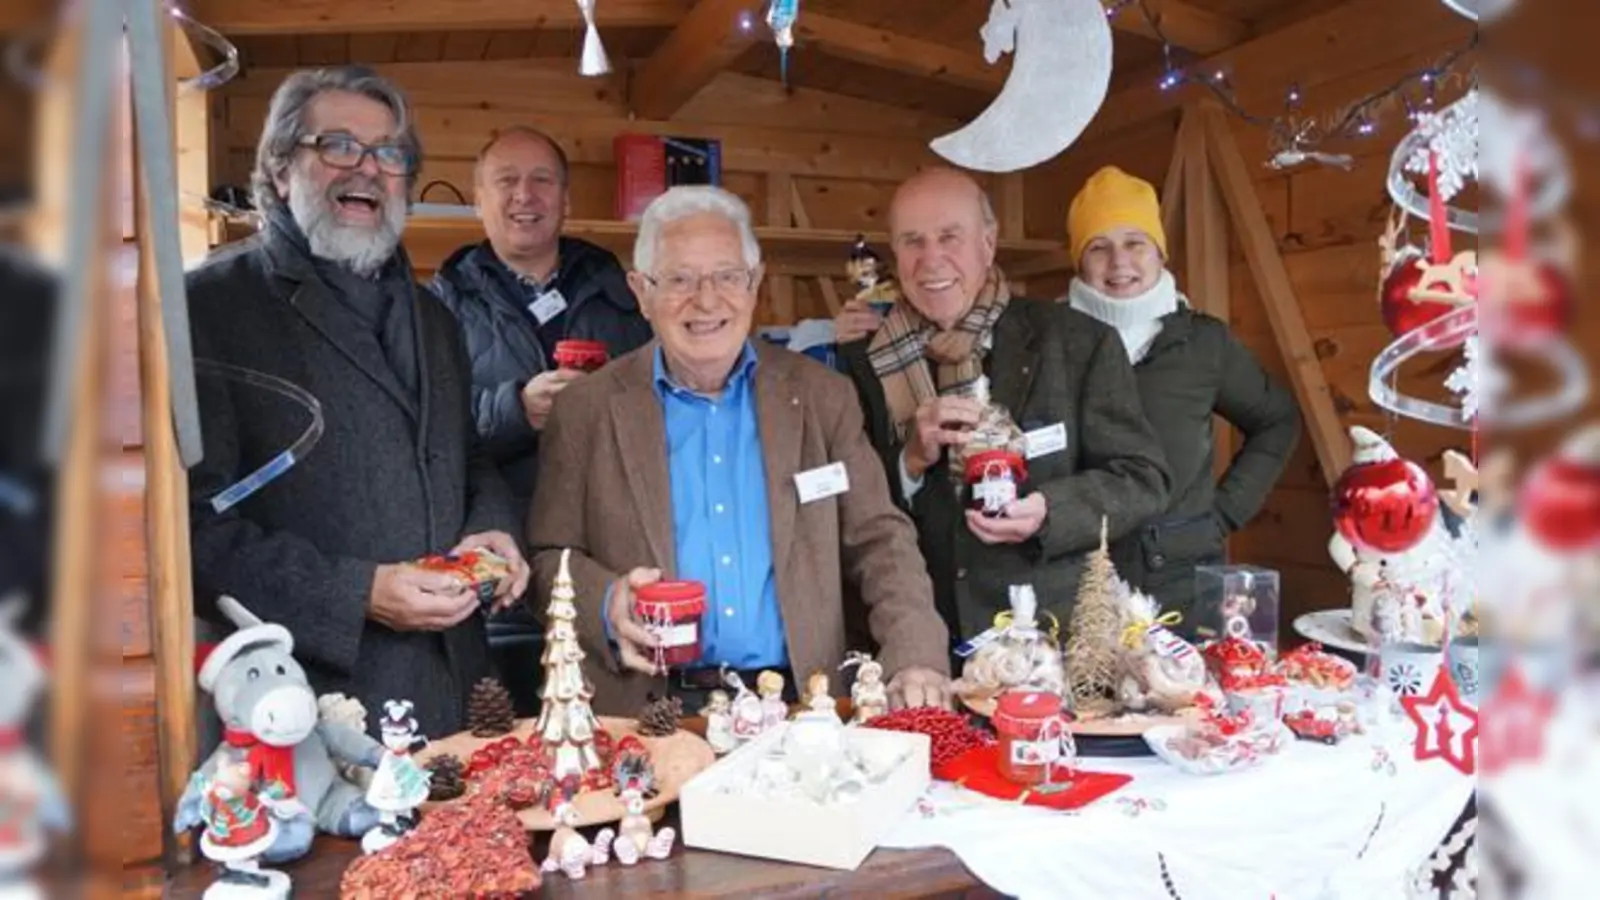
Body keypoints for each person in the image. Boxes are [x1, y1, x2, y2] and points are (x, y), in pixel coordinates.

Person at [185, 66, 529, 737]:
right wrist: (356, 594)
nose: (368, 169)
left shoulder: (435, 318)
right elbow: (192, 533)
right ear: (282, 170)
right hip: (311, 717)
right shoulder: (210, 308)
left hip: (462, 693)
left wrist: (493, 526)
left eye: (390, 154)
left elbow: (471, 459)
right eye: (338, 146)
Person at [525, 185, 951, 715]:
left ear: (755, 284)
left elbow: (879, 539)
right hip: (646, 714)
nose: (706, 300)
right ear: (641, 290)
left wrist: (915, 655)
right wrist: (606, 601)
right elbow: (547, 558)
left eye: (728, 276)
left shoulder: (822, 396)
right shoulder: (586, 409)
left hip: (802, 707)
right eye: (679, 279)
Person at [834, 167, 1170, 645]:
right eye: (912, 241)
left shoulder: (1077, 342)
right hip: (918, 641)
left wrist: (1048, 511)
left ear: (988, 243)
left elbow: (1142, 478)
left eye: (950, 237)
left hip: (1050, 638)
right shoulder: (863, 359)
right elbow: (843, 505)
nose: (931, 261)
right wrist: (909, 460)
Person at [1063, 167, 1299, 627]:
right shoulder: (1050, 342)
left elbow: (1278, 419)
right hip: (1073, 582)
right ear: (1079, 261)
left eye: (1135, 242)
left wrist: (1224, 515)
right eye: (1098, 246)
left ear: (1159, 252)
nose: (1119, 263)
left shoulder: (1203, 344)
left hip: (1180, 586)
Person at [431, 127, 651, 512]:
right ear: (479, 201)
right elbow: (426, 429)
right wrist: (516, 409)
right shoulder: (438, 304)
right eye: (506, 180)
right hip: (495, 534)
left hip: (613, 527)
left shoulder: (629, 295)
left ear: (565, 201)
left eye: (542, 180)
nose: (524, 194)